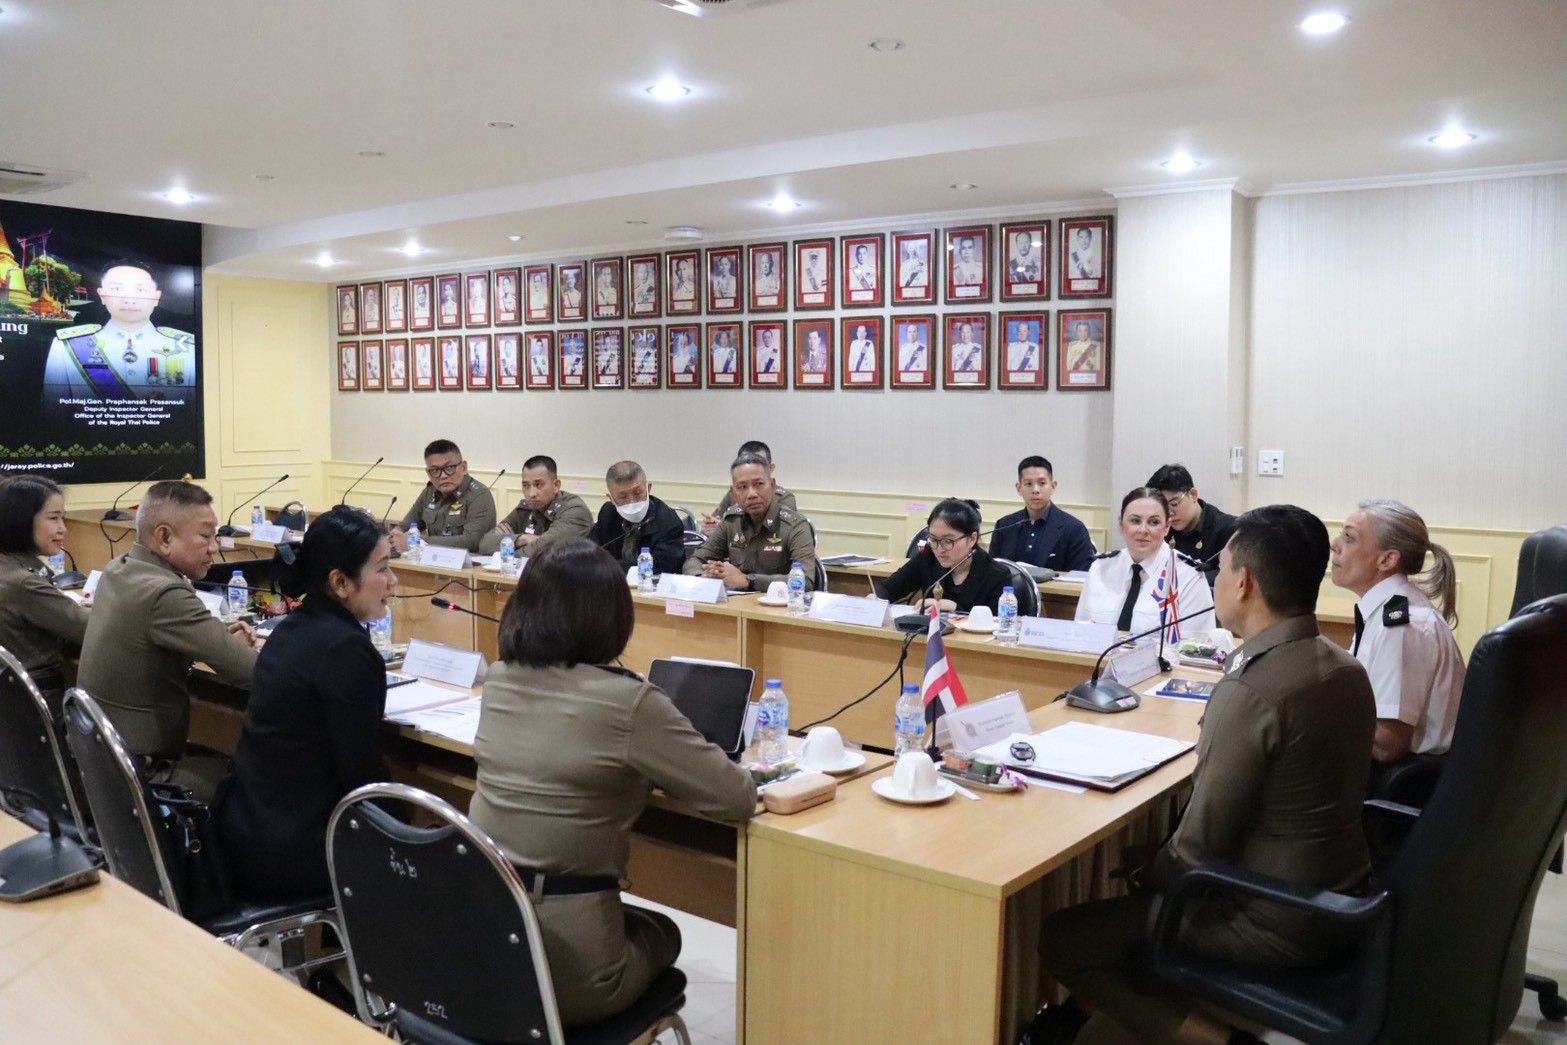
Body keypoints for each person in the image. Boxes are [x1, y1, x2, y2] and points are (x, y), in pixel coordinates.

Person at [1037, 505, 1376, 1045]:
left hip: (1273, 918)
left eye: (1222, 569)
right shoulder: (1345, 667)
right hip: (1342, 898)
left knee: (1065, 938)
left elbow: (1199, 848)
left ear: (1244, 583)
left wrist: (1151, 872)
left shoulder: (1253, 689)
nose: (1215, 580)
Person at [469, 539, 755, 1027]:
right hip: (566, 975)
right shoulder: (630, 701)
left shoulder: (499, 677)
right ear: (612, 618)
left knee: (636, 922)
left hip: (483, 938)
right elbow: (737, 797)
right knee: (664, 931)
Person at [214, 508, 396, 902]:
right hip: (296, 852)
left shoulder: (289, 629)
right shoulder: (346, 650)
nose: (393, 581)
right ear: (341, 582)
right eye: (383, 569)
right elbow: (362, 778)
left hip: (245, 828)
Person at [77, 481, 259, 798]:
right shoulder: (165, 593)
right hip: (142, 775)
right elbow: (253, 672)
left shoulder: (119, 568)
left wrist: (217, 641)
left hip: (100, 760)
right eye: (206, 536)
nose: (214, 548)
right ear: (164, 538)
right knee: (264, 781)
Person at [1331, 499, 1466, 764]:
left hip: (1405, 777)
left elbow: (1388, 745)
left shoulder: (1400, 627)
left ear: (1387, 559)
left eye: (1349, 538)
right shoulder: (1384, 611)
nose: (1335, 545)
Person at [43, 261, 197, 401]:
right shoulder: (67, 346)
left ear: (157, 298)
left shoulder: (185, 346)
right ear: (102, 295)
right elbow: (54, 412)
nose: (129, 299)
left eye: (140, 290)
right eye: (117, 289)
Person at [0, 475, 89, 714]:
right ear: (21, 521)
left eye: (63, 518)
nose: (63, 529)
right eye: (53, 518)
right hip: (38, 702)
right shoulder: (23, 583)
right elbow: (89, 629)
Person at [1075, 487, 1215, 637]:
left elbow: (1195, 645)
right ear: (1121, 524)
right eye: (1135, 521)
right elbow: (1079, 632)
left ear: (1167, 527)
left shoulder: (1189, 576)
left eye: (1154, 522)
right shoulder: (1101, 567)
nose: (1143, 530)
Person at [686, 453, 817, 593]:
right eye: (742, 487)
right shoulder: (731, 521)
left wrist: (748, 580)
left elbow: (805, 581)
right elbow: (694, 561)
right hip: (737, 603)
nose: (752, 494)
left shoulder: (795, 525)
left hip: (777, 603)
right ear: (733, 492)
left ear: (772, 485)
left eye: (759, 484)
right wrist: (703, 578)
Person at [877, 499, 1011, 614]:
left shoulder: (997, 575)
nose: (939, 549)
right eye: (933, 539)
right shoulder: (928, 557)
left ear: (972, 539)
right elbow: (889, 588)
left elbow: (999, 621)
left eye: (948, 541)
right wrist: (876, 598)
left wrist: (954, 607)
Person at [989, 456, 1097, 572]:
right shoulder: (1004, 525)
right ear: (1019, 488)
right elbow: (992, 571)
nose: (1035, 490)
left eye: (1042, 483)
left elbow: (1080, 577)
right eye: (1028, 484)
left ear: (1053, 486)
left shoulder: (1074, 529)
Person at [391, 439, 498, 552]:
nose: (443, 476)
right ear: (428, 473)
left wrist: (419, 542)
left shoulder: (479, 495)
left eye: (449, 468)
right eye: (435, 470)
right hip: (433, 558)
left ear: (463, 467)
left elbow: (472, 541)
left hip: (469, 561)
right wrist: (395, 534)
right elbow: (406, 525)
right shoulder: (429, 492)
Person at [585, 461, 687, 575]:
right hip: (611, 580)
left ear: (648, 488)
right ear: (611, 498)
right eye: (623, 497)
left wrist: (609, 566)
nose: (632, 501)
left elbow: (660, 567)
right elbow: (589, 551)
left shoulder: (669, 522)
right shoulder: (608, 513)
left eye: (638, 493)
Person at [482, 454, 593, 556]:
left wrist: (507, 546)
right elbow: (485, 544)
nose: (531, 494)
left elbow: (542, 552)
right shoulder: (526, 508)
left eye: (538, 484)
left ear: (556, 485)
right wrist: (521, 539)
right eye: (526, 485)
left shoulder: (575, 511)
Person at [1147, 464, 1238, 586]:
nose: (1169, 514)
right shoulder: (1163, 528)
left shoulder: (1229, 529)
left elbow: (1236, 575)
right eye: (1162, 507)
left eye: (1174, 503)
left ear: (1193, 495)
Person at [702, 439, 798, 533]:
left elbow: (782, 534)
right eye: (746, 463)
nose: (751, 469)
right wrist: (710, 527)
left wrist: (726, 530)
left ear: (770, 468)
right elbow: (715, 523)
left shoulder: (785, 498)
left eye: (759, 463)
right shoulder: (734, 494)